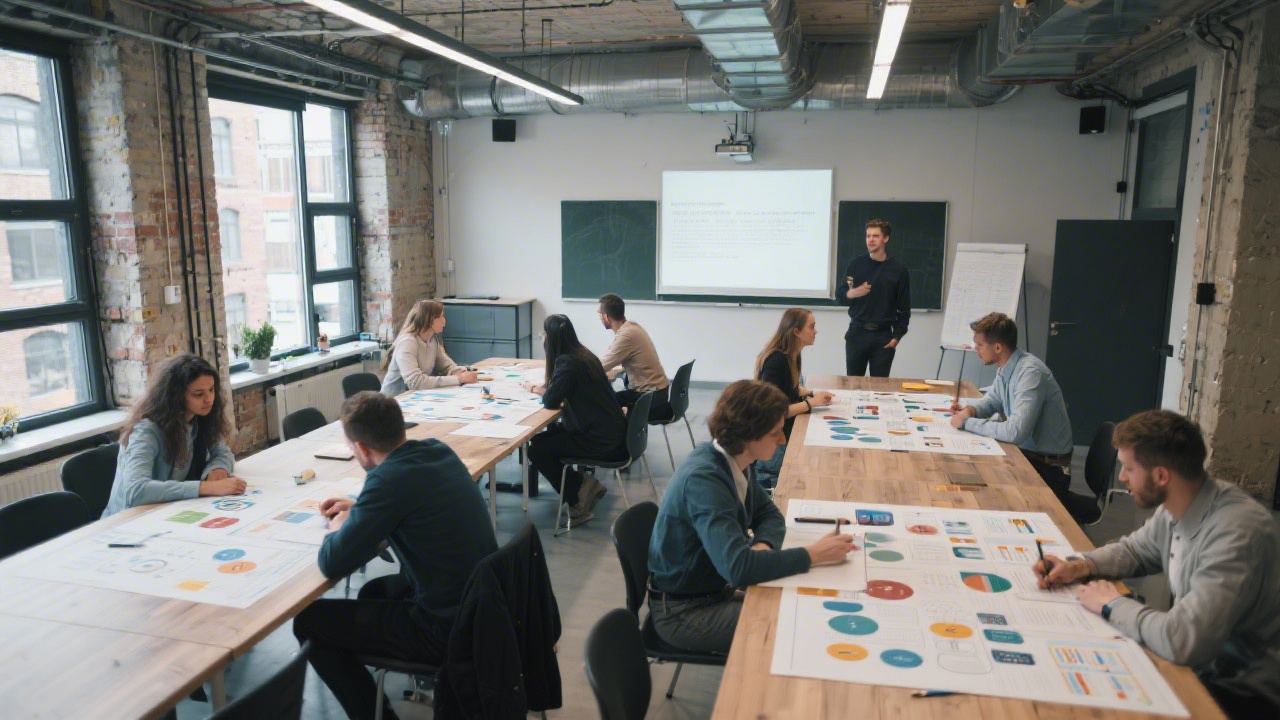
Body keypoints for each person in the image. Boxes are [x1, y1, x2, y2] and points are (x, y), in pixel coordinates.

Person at [1033, 410, 1280, 720]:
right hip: (1200, 662)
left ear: (1161, 475)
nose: (1121, 477)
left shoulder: (1236, 534)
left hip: (1241, 691)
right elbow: (1137, 550)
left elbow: (1182, 640)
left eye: (1128, 468)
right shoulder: (1181, 502)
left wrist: (1112, 605)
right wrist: (1080, 565)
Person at [292, 391, 498, 720]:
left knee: (310, 621)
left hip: (444, 628)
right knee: (375, 592)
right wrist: (361, 510)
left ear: (360, 448)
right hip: (483, 608)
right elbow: (414, 503)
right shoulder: (436, 450)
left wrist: (340, 526)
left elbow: (332, 562)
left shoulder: (387, 481)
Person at [647, 380, 855, 653]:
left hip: (713, 591)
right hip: (685, 613)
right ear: (748, 436)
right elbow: (739, 569)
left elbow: (768, 513)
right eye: (775, 433)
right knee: (803, 624)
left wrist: (763, 547)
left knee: (806, 608)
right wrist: (814, 554)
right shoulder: (705, 480)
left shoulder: (734, 459)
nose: (782, 440)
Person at [948, 312, 1074, 500]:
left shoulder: (1030, 373)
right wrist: (970, 410)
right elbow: (992, 401)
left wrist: (967, 422)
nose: (976, 349)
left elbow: (1015, 432)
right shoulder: (1006, 367)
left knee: (983, 490)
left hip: (1048, 468)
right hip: (1028, 454)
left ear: (997, 347)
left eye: (980, 345)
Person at [102, 353, 243, 517]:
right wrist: (205, 487)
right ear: (176, 396)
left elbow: (222, 452)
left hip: (169, 512)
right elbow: (136, 491)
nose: (209, 399)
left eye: (211, 390)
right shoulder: (145, 431)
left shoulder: (200, 417)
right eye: (198, 394)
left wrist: (217, 468)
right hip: (129, 520)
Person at [524, 314, 628, 527]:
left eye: (544, 334)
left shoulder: (567, 363)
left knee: (537, 450)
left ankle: (578, 494)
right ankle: (583, 485)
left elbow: (551, 401)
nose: (543, 338)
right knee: (540, 441)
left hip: (599, 441)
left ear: (551, 338)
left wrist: (542, 390)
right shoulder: (583, 354)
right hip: (610, 432)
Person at [753, 309, 835, 488]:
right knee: (817, 467)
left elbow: (788, 388)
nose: (816, 331)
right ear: (796, 332)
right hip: (771, 445)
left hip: (781, 433)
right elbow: (774, 412)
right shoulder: (776, 361)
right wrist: (810, 403)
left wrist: (810, 393)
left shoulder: (791, 355)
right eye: (811, 327)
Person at [842, 218, 910, 377]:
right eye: (868, 236)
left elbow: (904, 308)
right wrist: (852, 292)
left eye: (875, 236)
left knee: (879, 389)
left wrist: (896, 337)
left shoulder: (898, 271)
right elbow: (841, 294)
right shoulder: (855, 265)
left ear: (885, 238)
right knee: (853, 385)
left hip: (883, 337)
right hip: (857, 333)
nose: (870, 240)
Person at [596, 292, 672, 421]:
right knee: (611, 397)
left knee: (602, 404)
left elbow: (600, 365)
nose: (599, 318)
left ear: (606, 317)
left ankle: (623, 439)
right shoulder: (631, 327)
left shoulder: (627, 336)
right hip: (657, 392)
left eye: (599, 314)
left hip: (650, 397)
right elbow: (610, 354)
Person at [380, 299, 479, 396]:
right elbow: (415, 382)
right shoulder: (408, 342)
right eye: (440, 316)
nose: (444, 320)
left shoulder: (432, 339)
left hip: (417, 397)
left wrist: (463, 372)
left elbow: (446, 366)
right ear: (429, 320)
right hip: (393, 402)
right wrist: (459, 379)